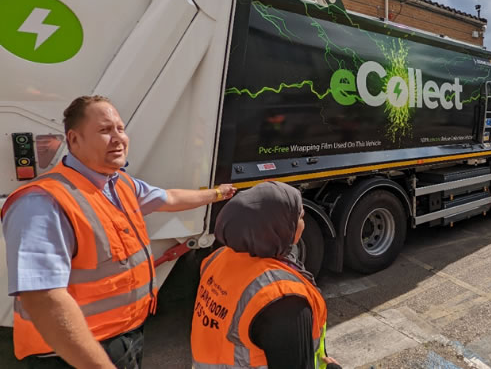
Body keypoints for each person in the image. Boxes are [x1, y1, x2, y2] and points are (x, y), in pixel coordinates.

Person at [1, 95, 237, 369]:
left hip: (124, 338)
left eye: (120, 129)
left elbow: (169, 198)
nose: (117, 138)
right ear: (74, 140)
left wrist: (217, 193)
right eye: (104, 130)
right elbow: (43, 300)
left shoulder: (119, 184)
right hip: (71, 355)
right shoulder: (42, 203)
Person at [190, 181, 341, 369]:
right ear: (278, 227)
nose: (304, 221)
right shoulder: (283, 297)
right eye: (300, 215)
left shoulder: (218, 259)